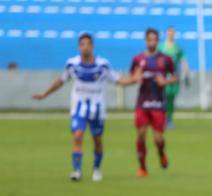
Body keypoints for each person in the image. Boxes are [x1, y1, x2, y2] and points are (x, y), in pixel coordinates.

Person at [32, 33, 140, 182]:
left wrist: (134, 80)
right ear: (78, 46)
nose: (85, 47)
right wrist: (45, 94)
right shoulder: (72, 64)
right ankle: (77, 171)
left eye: (88, 44)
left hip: (97, 109)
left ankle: (96, 169)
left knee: (97, 140)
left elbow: (118, 80)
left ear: (93, 46)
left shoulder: (103, 65)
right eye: (82, 44)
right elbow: (60, 81)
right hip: (79, 108)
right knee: (77, 136)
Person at [130, 28, 179, 177]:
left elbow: (175, 77)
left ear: (158, 41)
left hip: (158, 103)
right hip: (142, 102)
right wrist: (136, 78)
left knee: (158, 139)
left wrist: (165, 81)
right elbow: (132, 76)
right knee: (141, 134)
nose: (152, 42)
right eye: (149, 39)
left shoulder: (165, 59)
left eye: (154, 39)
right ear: (145, 40)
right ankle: (142, 167)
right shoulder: (138, 59)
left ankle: (161, 153)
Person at [157, 26, 190, 129]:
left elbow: (183, 61)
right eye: (169, 32)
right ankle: (160, 119)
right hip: (162, 77)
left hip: (174, 78)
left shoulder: (178, 48)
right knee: (162, 99)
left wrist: (187, 75)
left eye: (173, 32)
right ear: (166, 33)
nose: (171, 34)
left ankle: (169, 120)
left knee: (171, 100)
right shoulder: (161, 47)